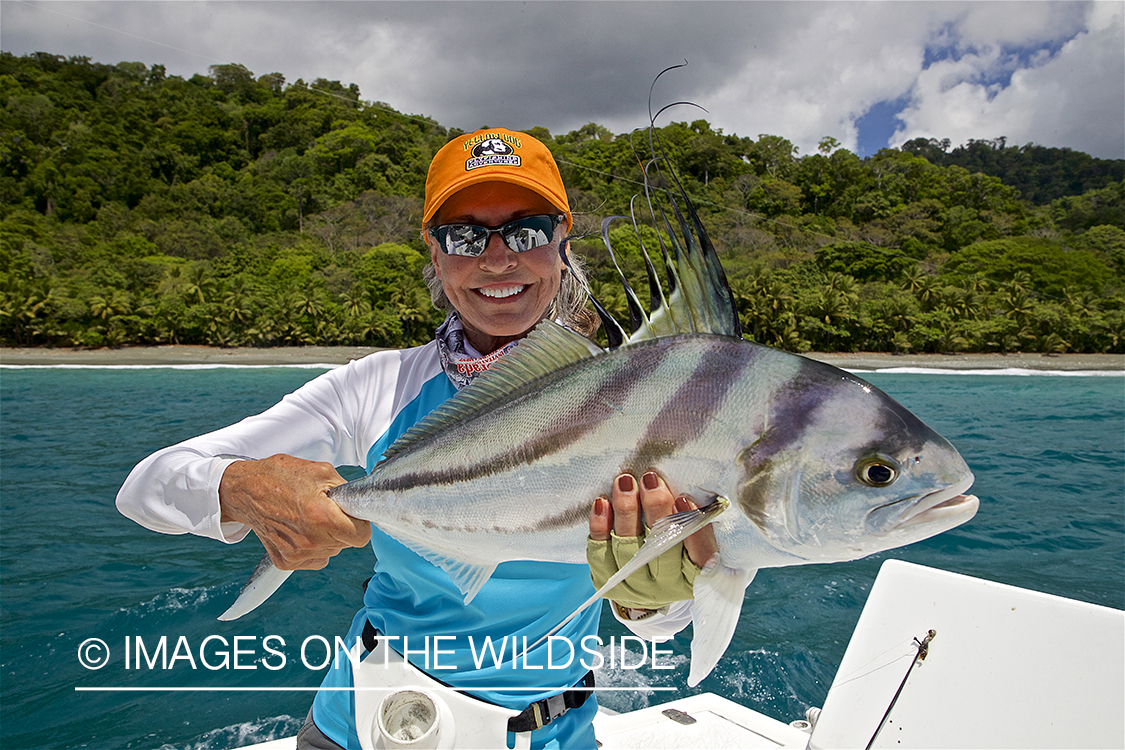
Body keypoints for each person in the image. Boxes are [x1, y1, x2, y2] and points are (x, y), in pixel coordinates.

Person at [116, 128, 715, 749]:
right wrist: (242, 486)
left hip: (552, 734)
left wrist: (656, 600)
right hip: (369, 722)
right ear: (434, 252)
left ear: (562, 240)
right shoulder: (378, 386)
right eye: (463, 235)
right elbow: (147, 485)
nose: (498, 258)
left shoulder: (645, 402)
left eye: (526, 230)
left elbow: (657, 628)